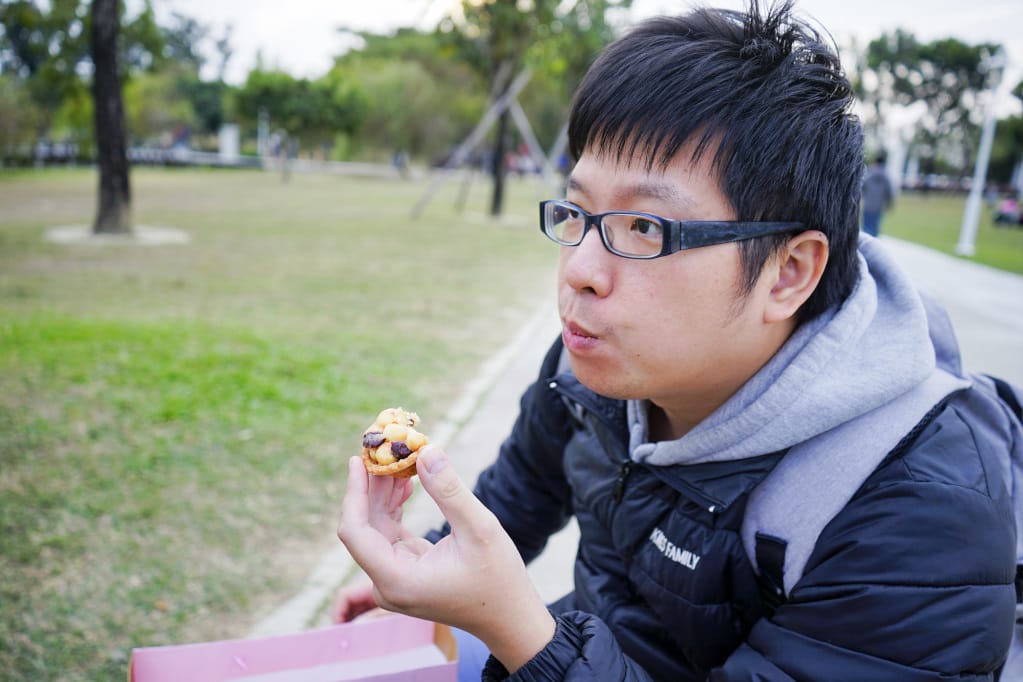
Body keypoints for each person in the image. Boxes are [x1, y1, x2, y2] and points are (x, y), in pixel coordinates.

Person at [336, 2, 1017, 679]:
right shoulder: (591, 366)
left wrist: (518, 630)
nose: (580, 271)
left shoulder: (917, 514)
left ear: (788, 272)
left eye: (644, 228)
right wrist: (429, 569)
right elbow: (523, 487)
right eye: (577, 212)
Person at [860, 153, 894, 236]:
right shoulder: (886, 177)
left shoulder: (870, 174)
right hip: (878, 206)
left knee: (866, 227)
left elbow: (862, 188)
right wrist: (889, 205)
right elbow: (889, 192)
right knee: (875, 227)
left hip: (868, 205)